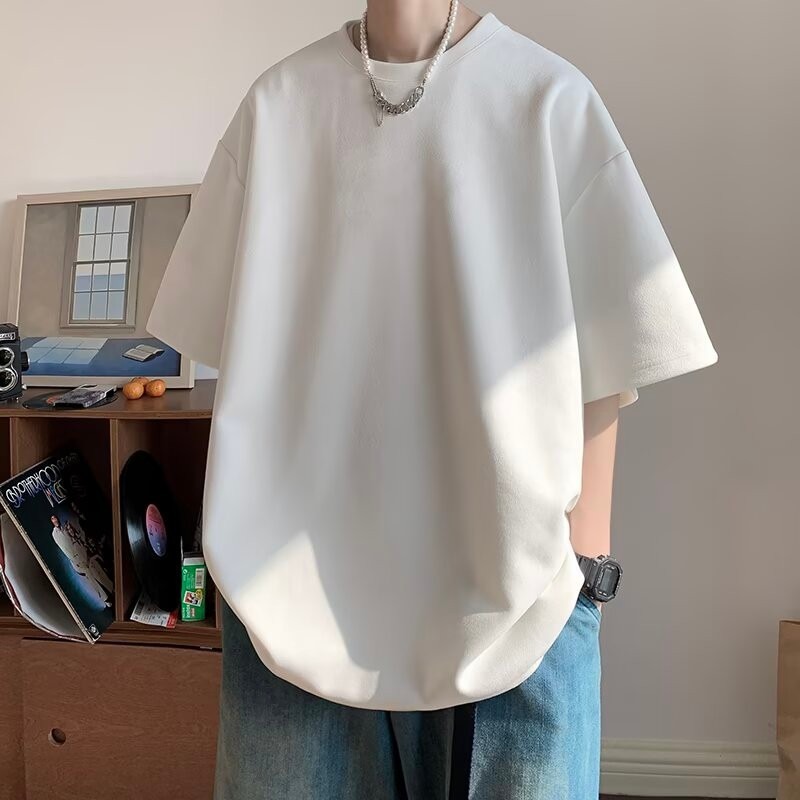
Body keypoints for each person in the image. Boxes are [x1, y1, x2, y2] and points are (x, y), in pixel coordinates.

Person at [146, 2, 719, 797]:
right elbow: (242, 353)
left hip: (517, 598)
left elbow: (609, 356)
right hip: (291, 607)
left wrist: (585, 571)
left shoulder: (548, 99)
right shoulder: (277, 108)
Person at [51, 513, 112, 608]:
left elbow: (75, 538)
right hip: (76, 559)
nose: (55, 520)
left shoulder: (64, 528)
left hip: (81, 553)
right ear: (52, 522)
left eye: (56, 518)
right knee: (92, 579)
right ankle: (105, 599)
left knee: (98, 572)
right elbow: (65, 549)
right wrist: (76, 560)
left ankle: (111, 589)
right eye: (53, 519)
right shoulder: (55, 534)